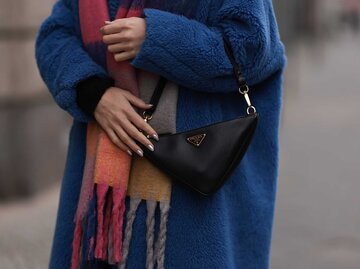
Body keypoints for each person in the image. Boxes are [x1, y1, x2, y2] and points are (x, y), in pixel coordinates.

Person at [35, 0, 286, 268]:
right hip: (101, 194)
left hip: (192, 188)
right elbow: (54, 36)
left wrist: (155, 37)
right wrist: (93, 93)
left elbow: (250, 48)